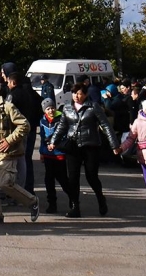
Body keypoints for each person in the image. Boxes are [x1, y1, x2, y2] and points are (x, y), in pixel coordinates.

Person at [49, 83, 118, 218]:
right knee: (72, 178)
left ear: (85, 95)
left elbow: (106, 125)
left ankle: (100, 198)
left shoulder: (93, 107)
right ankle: (75, 206)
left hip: (90, 145)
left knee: (91, 176)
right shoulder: (67, 108)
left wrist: (114, 145)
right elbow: (62, 126)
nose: (76, 96)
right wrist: (53, 142)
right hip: (72, 146)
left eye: (80, 93)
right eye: (74, 93)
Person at [0, 78, 39, 224]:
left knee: (5, 184)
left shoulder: (8, 107)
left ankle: (32, 201)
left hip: (6, 152)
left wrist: (9, 140)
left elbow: (25, 125)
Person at [5, 71, 42, 195]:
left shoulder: (14, 95)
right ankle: (26, 188)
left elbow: (7, 113)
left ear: (13, 82)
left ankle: (18, 191)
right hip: (30, 129)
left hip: (17, 131)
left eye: (9, 82)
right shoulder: (31, 94)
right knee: (26, 160)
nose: (7, 84)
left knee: (18, 161)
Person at [38, 98, 71, 214]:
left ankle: (73, 199)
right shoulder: (42, 121)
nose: (51, 110)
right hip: (48, 155)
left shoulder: (61, 119)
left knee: (62, 179)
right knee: (49, 180)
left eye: (52, 108)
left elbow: (63, 135)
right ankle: (52, 204)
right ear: (44, 111)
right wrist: (42, 152)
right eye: (48, 109)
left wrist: (54, 143)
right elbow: (42, 138)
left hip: (59, 154)